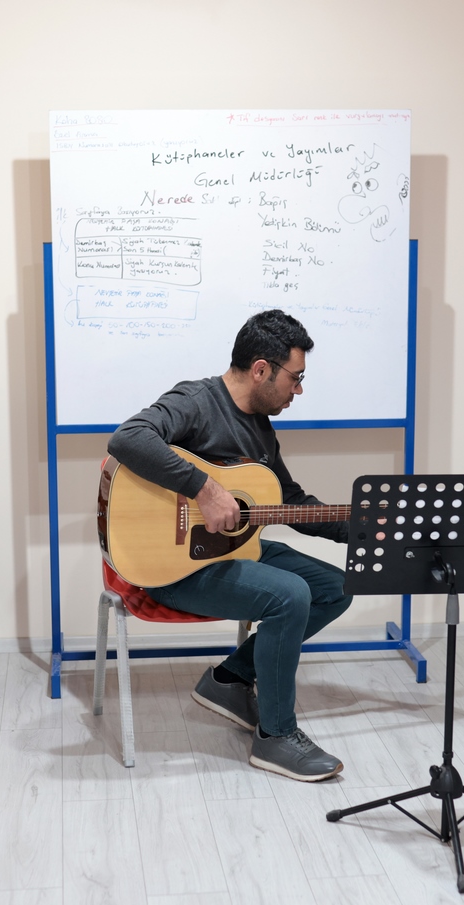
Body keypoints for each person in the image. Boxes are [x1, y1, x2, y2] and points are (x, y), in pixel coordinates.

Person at [107, 310, 352, 781]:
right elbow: (128, 438)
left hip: (232, 553)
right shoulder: (196, 402)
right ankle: (276, 738)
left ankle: (230, 679)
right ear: (261, 369)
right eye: (296, 378)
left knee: (335, 588)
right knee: (290, 595)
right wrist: (205, 489)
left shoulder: (259, 426)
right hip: (173, 569)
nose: (298, 391)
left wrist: (360, 527)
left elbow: (289, 502)